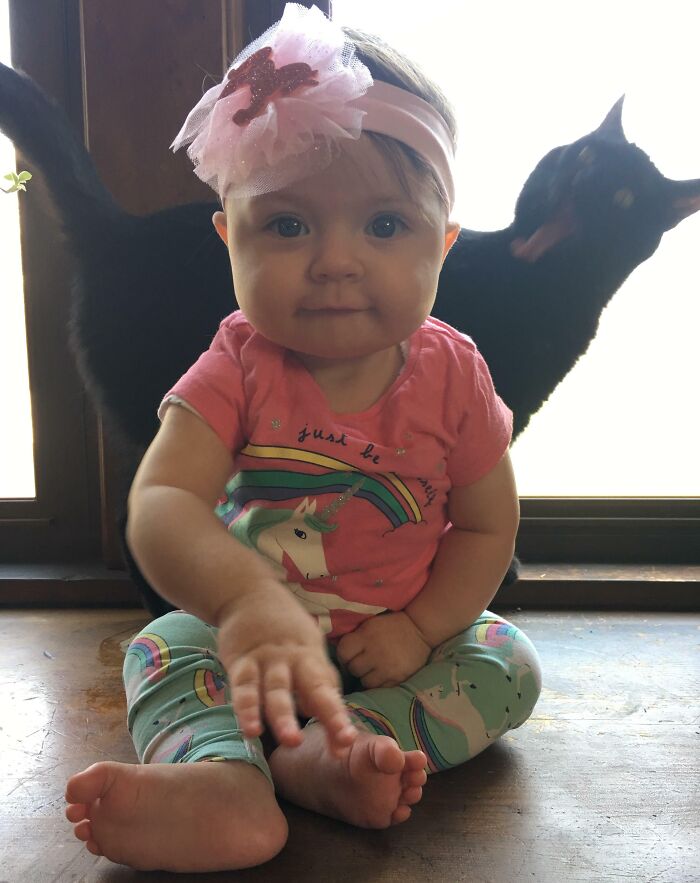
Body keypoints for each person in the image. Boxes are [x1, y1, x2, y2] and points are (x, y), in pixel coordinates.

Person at [65, 4, 542, 873]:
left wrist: (422, 627)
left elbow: (486, 525)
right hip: (252, 650)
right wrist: (245, 602)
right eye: (287, 225)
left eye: (385, 225)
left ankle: (338, 749)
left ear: (443, 242)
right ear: (229, 237)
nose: (335, 261)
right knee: (164, 645)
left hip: (398, 649)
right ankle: (222, 776)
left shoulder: (455, 375)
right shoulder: (238, 364)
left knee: (507, 661)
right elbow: (162, 501)